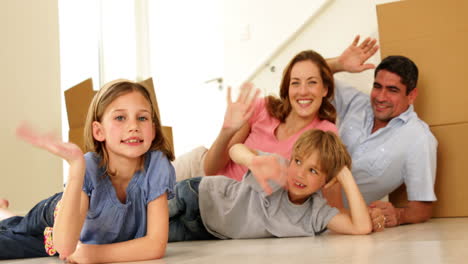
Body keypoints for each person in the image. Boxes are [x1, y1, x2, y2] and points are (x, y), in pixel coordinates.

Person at [0, 80, 176, 262]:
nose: (134, 126)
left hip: (81, 238)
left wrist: (89, 253)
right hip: (58, 214)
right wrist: (76, 166)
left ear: (153, 130)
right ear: (99, 131)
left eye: (142, 118)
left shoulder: (157, 165)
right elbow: (66, 247)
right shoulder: (89, 166)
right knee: (21, 227)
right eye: (120, 118)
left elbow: (155, 245)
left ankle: (3, 211)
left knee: (12, 242)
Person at [175, 50, 342, 206]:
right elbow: (210, 168)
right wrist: (227, 131)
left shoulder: (324, 134)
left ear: (325, 89)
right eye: (295, 83)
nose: (303, 91)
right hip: (198, 170)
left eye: (312, 82)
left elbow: (320, 199)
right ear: (287, 88)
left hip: (225, 205)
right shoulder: (263, 107)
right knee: (151, 181)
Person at [169, 129, 374, 242]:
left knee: (143, 238)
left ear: (328, 180)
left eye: (313, 171)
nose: (300, 173)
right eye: (299, 161)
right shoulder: (278, 168)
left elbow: (361, 227)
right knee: (138, 219)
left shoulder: (316, 213)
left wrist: (345, 175)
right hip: (197, 196)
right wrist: (251, 161)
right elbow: (236, 149)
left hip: (206, 231)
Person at [326, 36, 437, 228]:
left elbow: (423, 208)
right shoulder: (356, 103)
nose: (381, 97)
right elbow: (306, 77)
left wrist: (399, 215)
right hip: (294, 191)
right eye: (377, 87)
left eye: (392, 90)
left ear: (411, 95)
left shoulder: (419, 139)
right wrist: (338, 64)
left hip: (333, 221)